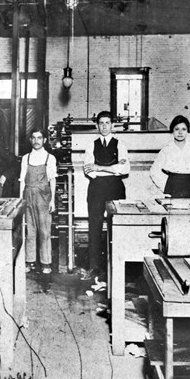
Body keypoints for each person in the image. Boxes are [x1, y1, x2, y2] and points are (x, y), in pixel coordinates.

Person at [81, 111, 130, 282]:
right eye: (101, 123)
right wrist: (112, 167)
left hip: (115, 188)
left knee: (116, 227)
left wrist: (99, 167)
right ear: (97, 125)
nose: (104, 126)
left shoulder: (120, 144)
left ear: (113, 125)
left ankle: (116, 267)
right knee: (94, 228)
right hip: (96, 189)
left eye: (107, 123)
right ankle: (94, 268)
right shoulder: (91, 145)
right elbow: (89, 171)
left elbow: (124, 169)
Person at [19, 129, 57, 274]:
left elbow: (52, 180)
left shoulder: (50, 158)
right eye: (33, 138)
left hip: (43, 197)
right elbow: (22, 180)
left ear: (44, 140)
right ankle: (30, 261)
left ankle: (46, 263)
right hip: (28, 195)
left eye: (39, 138)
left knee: (45, 230)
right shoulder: (26, 158)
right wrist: (20, 200)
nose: (36, 140)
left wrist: (52, 200)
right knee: (30, 230)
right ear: (30, 140)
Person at [149, 115, 190, 198]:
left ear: (187, 131)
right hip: (172, 187)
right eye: (177, 129)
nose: (180, 132)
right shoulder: (166, 149)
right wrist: (165, 186)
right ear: (172, 131)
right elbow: (154, 171)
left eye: (183, 129)